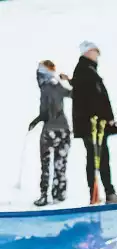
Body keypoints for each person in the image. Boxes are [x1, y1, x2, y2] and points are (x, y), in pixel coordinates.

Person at [71, 40, 117, 204]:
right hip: (93, 126)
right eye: (95, 51)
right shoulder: (86, 71)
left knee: (97, 158)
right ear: (87, 52)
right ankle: (103, 194)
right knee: (98, 159)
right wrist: (106, 118)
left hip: (93, 125)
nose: (97, 55)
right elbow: (95, 99)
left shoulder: (86, 70)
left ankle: (101, 193)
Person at [29, 60, 72, 207]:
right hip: (64, 130)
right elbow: (72, 94)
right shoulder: (57, 84)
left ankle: (44, 195)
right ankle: (59, 194)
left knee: (46, 163)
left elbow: (47, 110)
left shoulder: (48, 86)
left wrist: (40, 119)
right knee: (60, 164)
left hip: (50, 130)